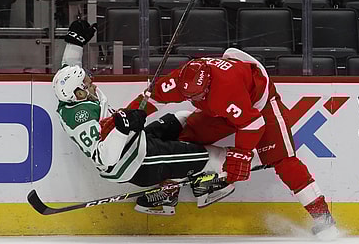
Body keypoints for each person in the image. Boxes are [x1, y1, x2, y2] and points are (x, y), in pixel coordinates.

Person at [127, 48, 340, 240]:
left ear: (208, 84)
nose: (194, 100)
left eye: (199, 95)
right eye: (190, 96)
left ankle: (324, 220)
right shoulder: (183, 79)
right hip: (224, 108)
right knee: (187, 138)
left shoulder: (226, 89)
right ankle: (170, 190)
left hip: (260, 104)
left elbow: (253, 123)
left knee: (283, 160)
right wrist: (125, 117)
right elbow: (151, 98)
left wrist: (242, 155)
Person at [51, 19, 235, 216]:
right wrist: (123, 130)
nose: (93, 84)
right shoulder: (82, 117)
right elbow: (105, 158)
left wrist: (75, 42)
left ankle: (169, 190)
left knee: (181, 119)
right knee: (220, 158)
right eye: (88, 84)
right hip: (138, 163)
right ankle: (204, 189)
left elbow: (68, 68)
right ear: (79, 93)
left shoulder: (69, 95)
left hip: (137, 144)